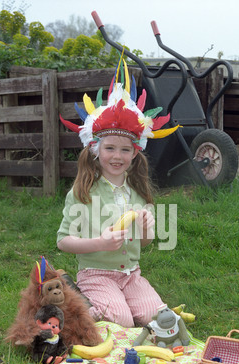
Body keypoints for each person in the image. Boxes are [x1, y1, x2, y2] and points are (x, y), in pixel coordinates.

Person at [57, 54, 179, 328]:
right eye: (110, 148)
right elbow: (64, 241)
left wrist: (148, 229)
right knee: (121, 321)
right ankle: (82, 303)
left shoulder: (137, 191)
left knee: (157, 319)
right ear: (95, 149)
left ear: (135, 154)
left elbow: (144, 243)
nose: (117, 156)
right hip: (96, 273)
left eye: (125, 150)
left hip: (131, 275)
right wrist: (99, 243)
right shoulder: (83, 192)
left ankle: (121, 303)